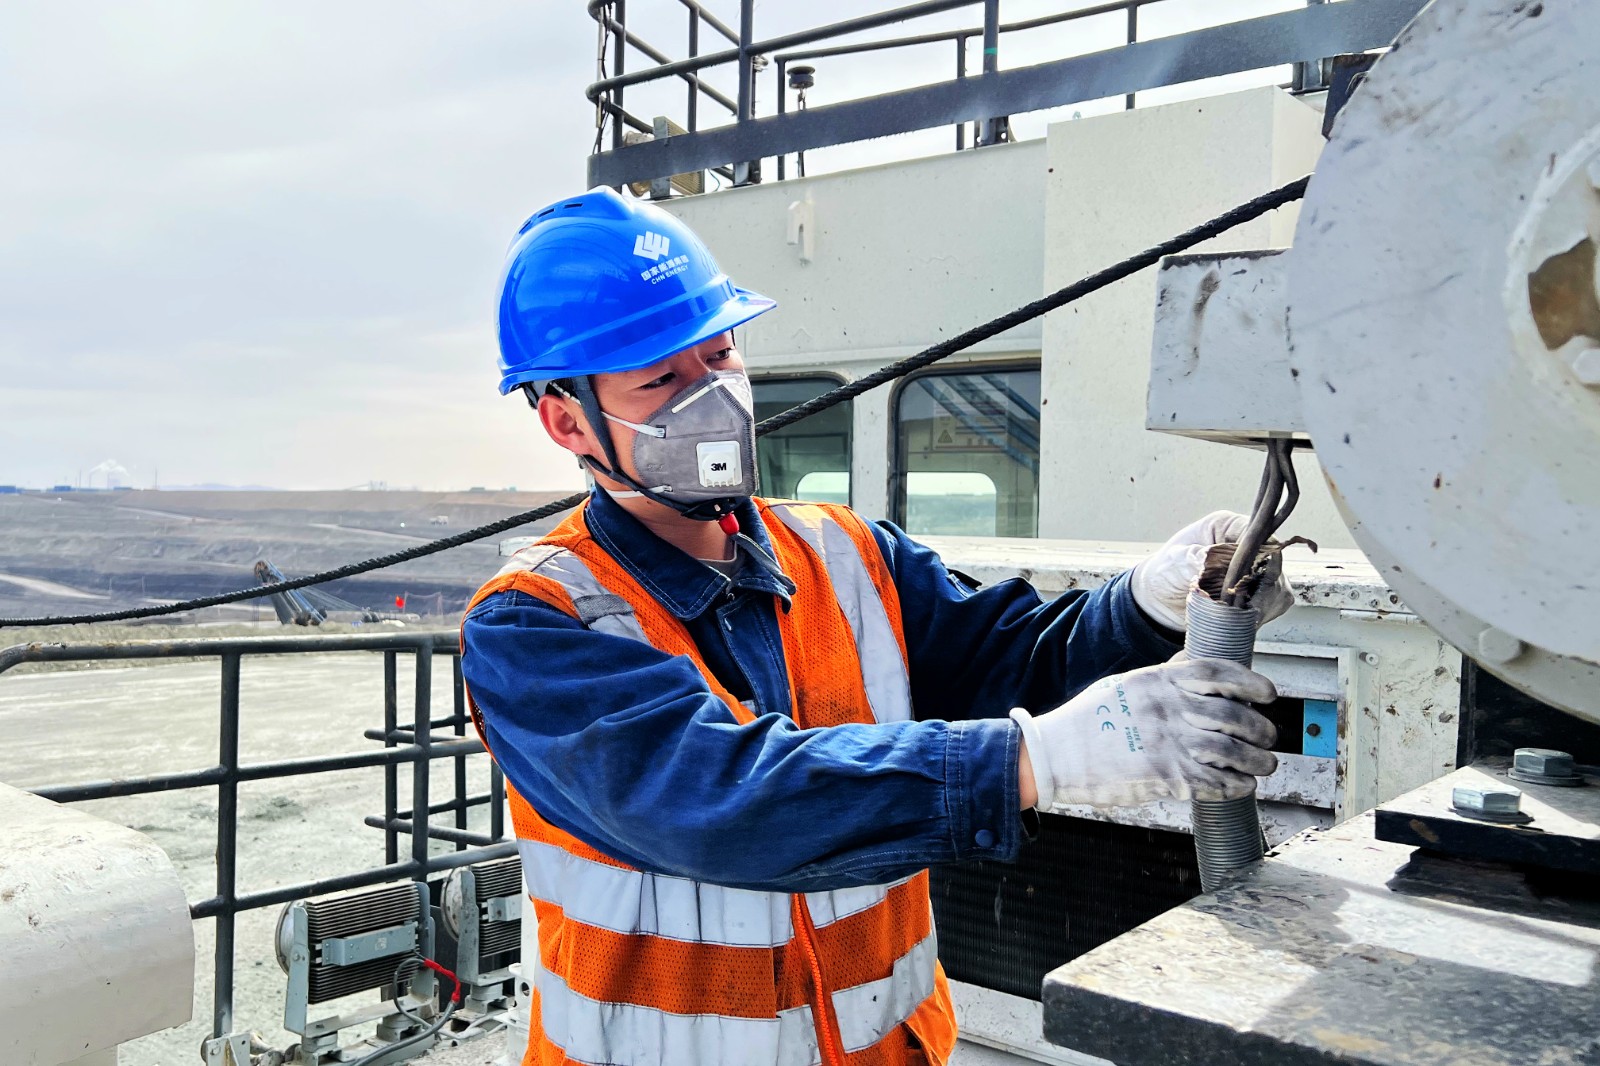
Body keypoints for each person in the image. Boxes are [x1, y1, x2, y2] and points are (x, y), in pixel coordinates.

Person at [461, 188, 1290, 1066]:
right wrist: (1035, 760)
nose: (711, 397)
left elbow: (1010, 658)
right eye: (662, 380)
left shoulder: (844, 551)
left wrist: (1145, 605)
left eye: (720, 354)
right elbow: (725, 800)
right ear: (567, 420)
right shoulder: (534, 625)